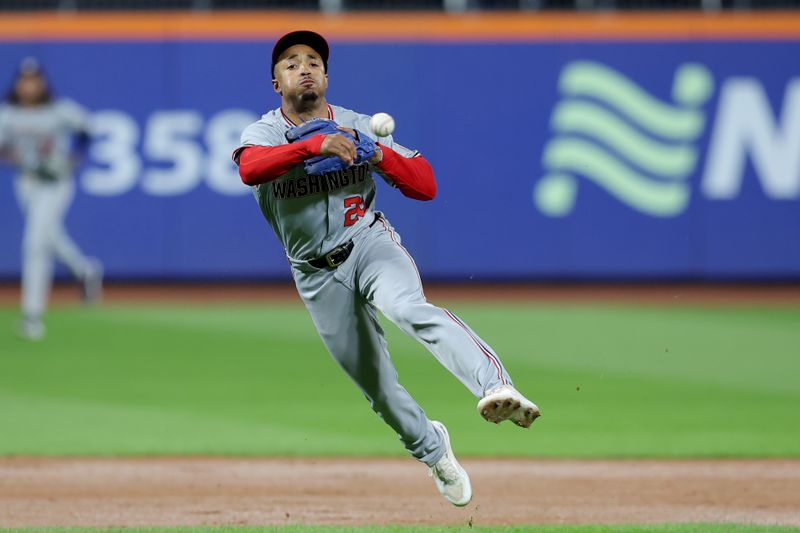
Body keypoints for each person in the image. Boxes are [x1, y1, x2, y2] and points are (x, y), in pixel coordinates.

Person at [233, 31, 540, 507]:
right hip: (315, 272)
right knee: (376, 385)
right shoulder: (264, 132)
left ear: (327, 76)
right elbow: (251, 169)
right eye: (291, 63)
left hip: (369, 243)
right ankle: (433, 449)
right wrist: (312, 148)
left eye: (314, 60)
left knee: (409, 308)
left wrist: (377, 153)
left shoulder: (360, 124)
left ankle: (496, 385)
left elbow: (426, 185)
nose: (305, 67)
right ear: (276, 83)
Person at [0, 58, 102, 341]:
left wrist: (74, 158)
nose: (29, 85)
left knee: (35, 244)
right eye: (24, 80)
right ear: (18, 83)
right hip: (27, 182)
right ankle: (85, 272)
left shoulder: (59, 111)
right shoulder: (7, 114)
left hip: (56, 183)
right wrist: (13, 157)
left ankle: (32, 317)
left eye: (34, 79)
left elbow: (88, 129)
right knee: (50, 237)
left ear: (42, 83)